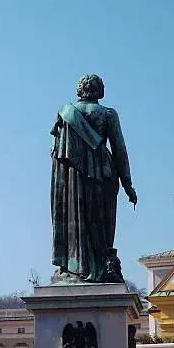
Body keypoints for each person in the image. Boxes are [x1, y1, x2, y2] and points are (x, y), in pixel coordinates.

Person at [51, 74, 137, 282]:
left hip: (71, 179)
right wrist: (128, 184)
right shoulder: (107, 114)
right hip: (102, 175)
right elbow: (119, 150)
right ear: (100, 91)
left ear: (79, 90)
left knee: (73, 220)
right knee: (100, 223)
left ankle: (72, 267)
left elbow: (56, 154)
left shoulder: (65, 114)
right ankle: (100, 268)